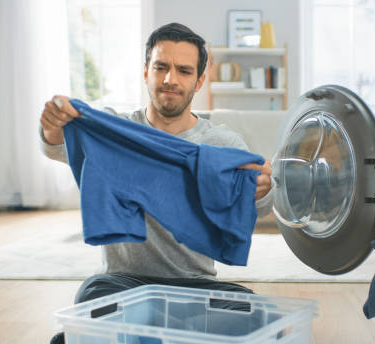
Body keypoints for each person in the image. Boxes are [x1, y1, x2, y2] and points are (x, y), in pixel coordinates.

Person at [40, 23, 272, 343]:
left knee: (257, 314)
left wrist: (262, 188)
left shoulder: (221, 143)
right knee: (93, 301)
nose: (170, 79)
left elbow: (260, 207)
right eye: (161, 67)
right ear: (146, 71)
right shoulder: (117, 131)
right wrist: (54, 127)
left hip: (196, 285)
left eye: (184, 71)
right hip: (122, 282)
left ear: (199, 80)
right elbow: (56, 145)